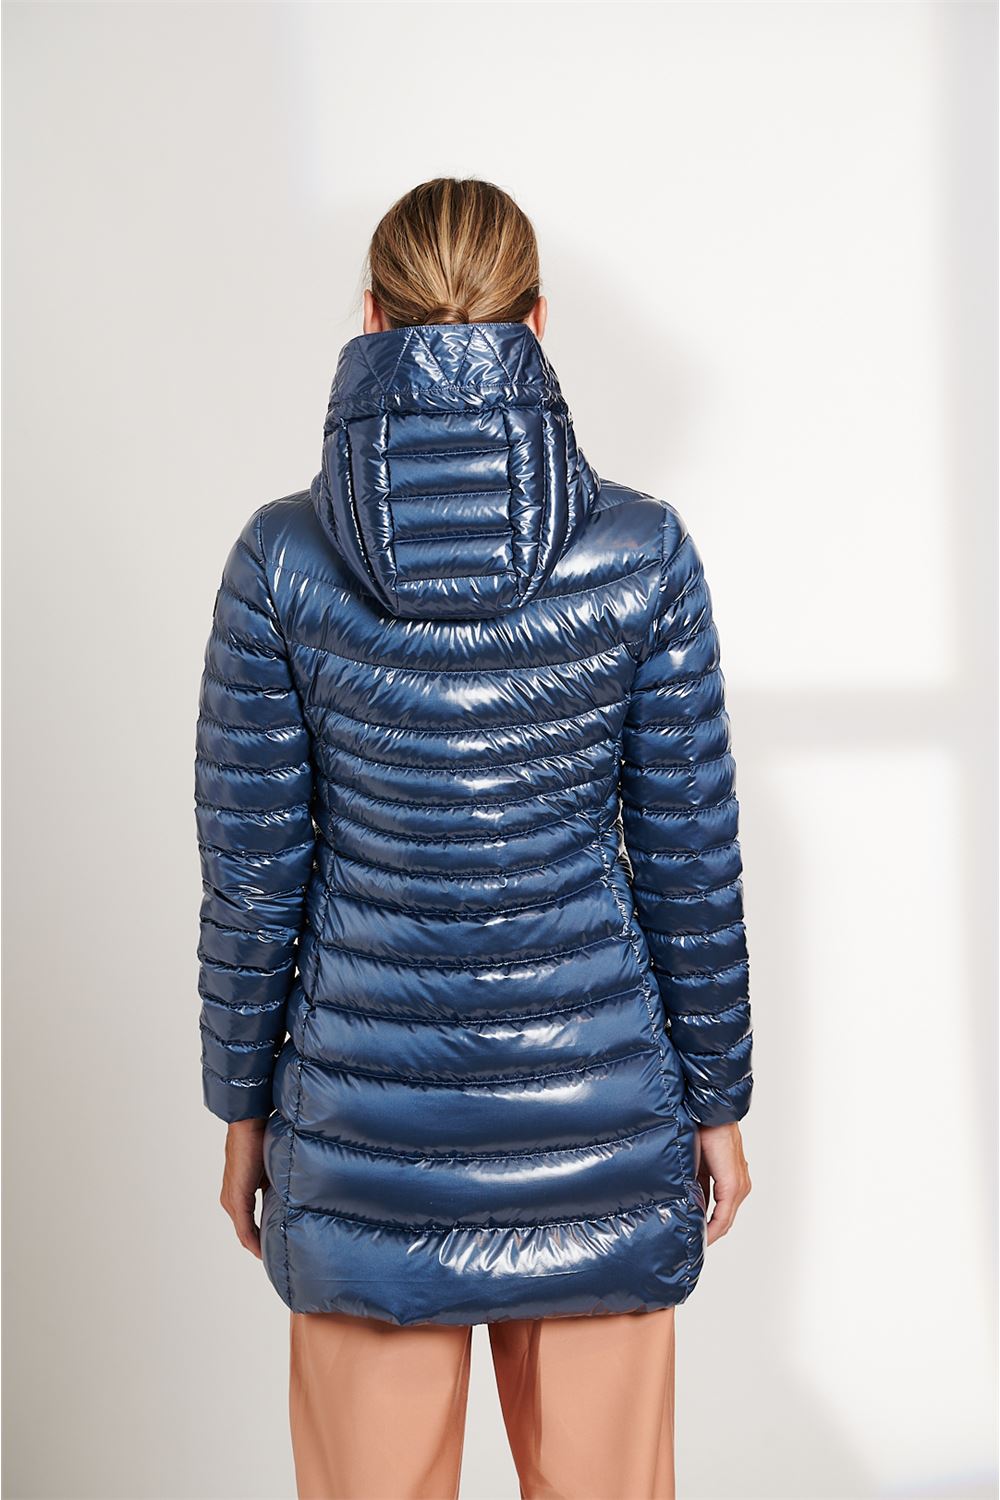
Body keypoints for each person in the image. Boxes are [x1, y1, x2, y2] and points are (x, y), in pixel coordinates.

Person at [194, 177, 753, 1500]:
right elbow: (689, 865)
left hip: (358, 1151)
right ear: (538, 323)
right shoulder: (645, 554)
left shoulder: (279, 561)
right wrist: (719, 1104)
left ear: (372, 318)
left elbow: (255, 881)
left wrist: (242, 1111)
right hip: (603, 1130)